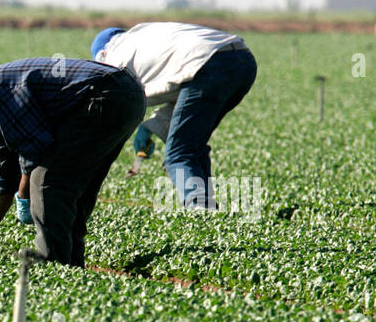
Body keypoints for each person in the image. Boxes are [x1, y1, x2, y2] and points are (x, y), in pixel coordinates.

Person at [0, 58, 145, 267]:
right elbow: (3, 178)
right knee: (73, 194)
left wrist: (25, 197)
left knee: (47, 183)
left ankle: (55, 270)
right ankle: (73, 270)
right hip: (122, 95)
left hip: (106, 96)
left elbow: (35, 151)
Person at [91, 23, 257, 209]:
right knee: (192, 145)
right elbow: (184, 97)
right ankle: (208, 207)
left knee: (179, 153)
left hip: (208, 64)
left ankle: (200, 210)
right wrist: (149, 127)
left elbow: (118, 108)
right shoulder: (144, 35)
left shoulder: (114, 58)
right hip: (243, 60)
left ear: (102, 54)